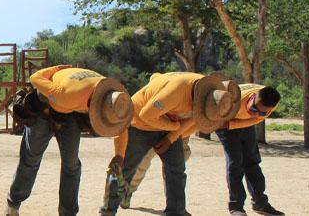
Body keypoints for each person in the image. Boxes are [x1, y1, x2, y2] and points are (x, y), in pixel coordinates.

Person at [99, 72, 238, 216]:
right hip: (139, 123)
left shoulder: (208, 97)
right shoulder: (176, 91)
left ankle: (176, 211)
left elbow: (195, 118)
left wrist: (171, 137)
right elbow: (146, 114)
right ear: (199, 99)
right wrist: (174, 128)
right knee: (123, 169)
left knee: (177, 170)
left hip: (167, 125)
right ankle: (107, 211)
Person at [5, 65, 133, 216]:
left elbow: (121, 127)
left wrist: (119, 155)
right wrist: (57, 68)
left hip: (72, 112)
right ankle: (13, 203)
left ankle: (68, 213)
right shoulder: (66, 94)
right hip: (44, 109)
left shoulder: (117, 99)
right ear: (94, 107)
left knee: (71, 165)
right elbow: (35, 78)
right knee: (31, 158)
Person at [216, 84, 284, 216]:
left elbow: (256, 118)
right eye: (254, 108)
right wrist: (229, 124)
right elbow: (216, 117)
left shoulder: (271, 104)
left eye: (263, 112)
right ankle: (236, 207)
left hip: (246, 122)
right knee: (235, 163)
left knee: (252, 161)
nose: (257, 113)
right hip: (224, 121)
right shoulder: (235, 99)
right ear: (253, 97)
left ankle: (261, 204)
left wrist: (240, 121)